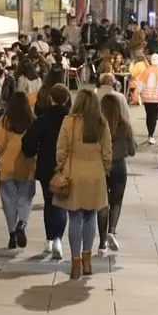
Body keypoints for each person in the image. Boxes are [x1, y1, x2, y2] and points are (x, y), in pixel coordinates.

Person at [53, 90, 112, 279]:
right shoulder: (102, 123)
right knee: (90, 216)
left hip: (74, 174)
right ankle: (87, 260)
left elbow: (61, 149)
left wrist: (60, 167)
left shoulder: (69, 122)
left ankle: (75, 262)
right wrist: (104, 170)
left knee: (75, 218)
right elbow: (107, 153)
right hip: (95, 175)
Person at [22, 84, 71, 259]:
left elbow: (28, 142)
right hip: (66, 166)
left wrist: (32, 152)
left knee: (49, 202)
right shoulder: (72, 120)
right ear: (67, 99)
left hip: (46, 166)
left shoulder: (42, 120)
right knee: (62, 202)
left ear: (51, 98)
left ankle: (49, 239)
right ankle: (58, 238)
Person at [0, 92, 37, 249]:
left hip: (7, 166)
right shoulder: (32, 120)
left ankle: (12, 234)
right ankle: (22, 223)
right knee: (25, 198)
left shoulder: (4, 121)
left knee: (8, 201)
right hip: (27, 166)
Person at [97, 93, 136, 255]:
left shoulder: (97, 125)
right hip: (119, 166)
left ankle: (102, 243)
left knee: (102, 203)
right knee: (117, 202)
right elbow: (132, 150)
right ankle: (112, 231)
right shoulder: (124, 125)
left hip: (101, 166)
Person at [139, 54, 158, 144]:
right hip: (157, 98)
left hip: (147, 97)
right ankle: (151, 134)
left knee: (149, 115)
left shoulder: (146, 71)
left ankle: (150, 133)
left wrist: (138, 93)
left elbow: (141, 84)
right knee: (154, 116)